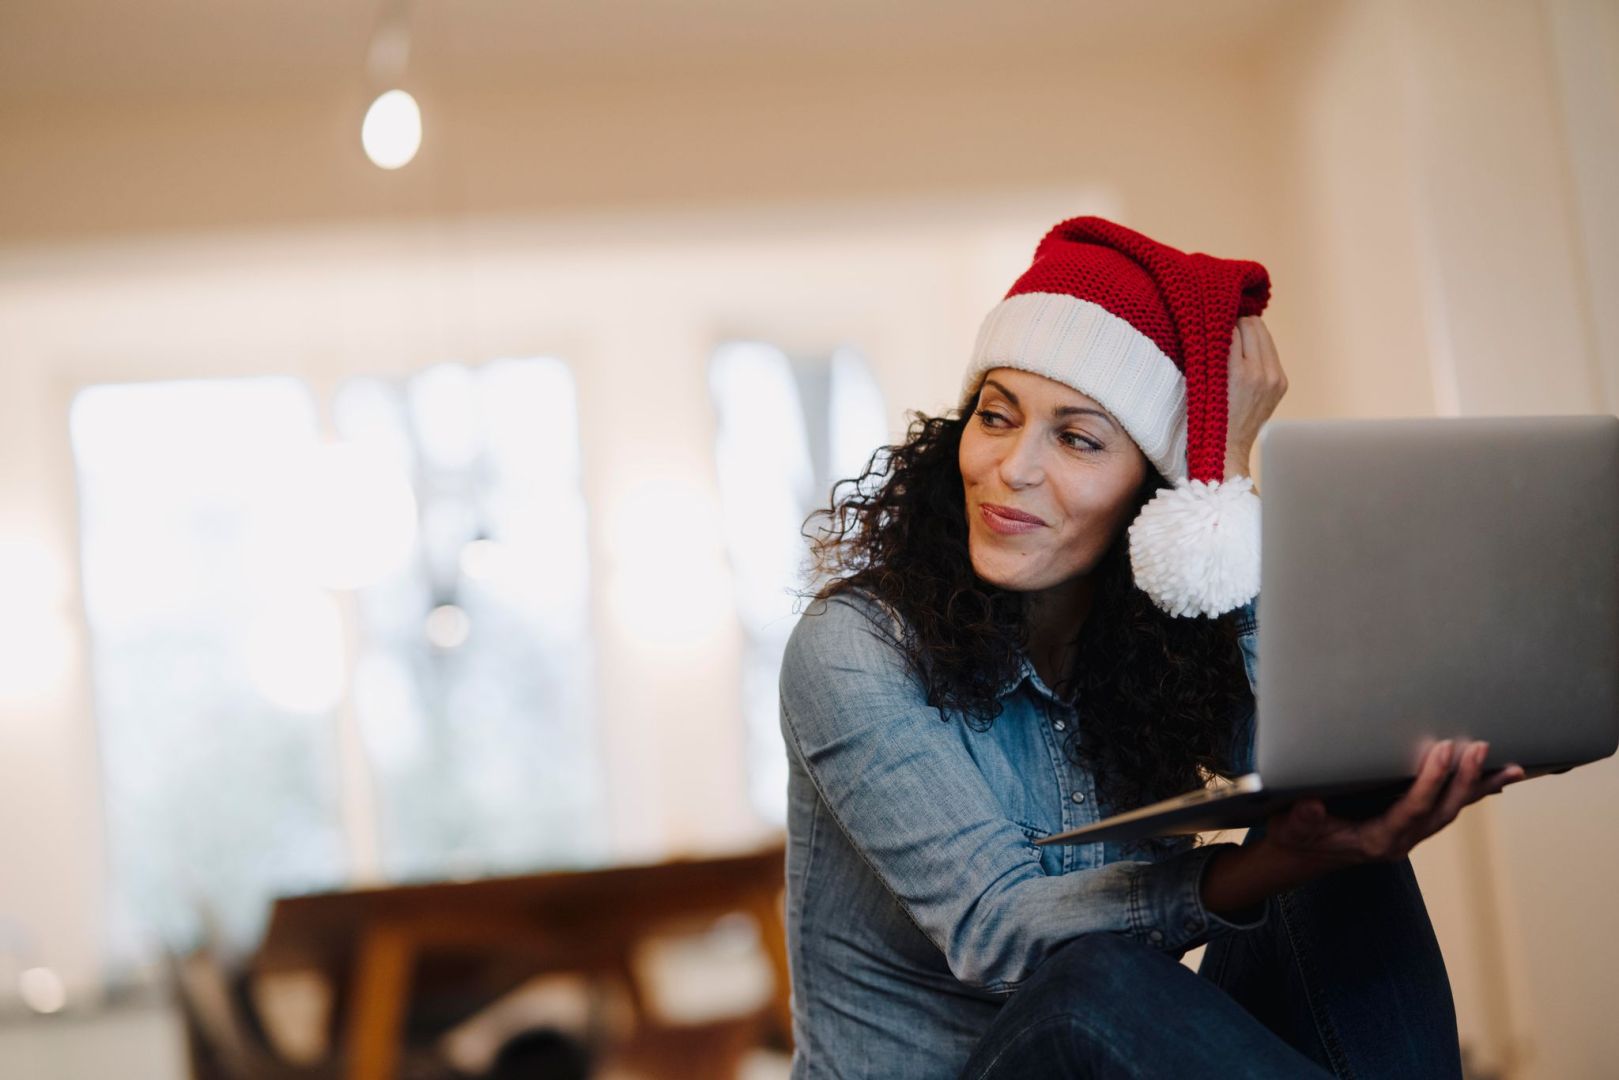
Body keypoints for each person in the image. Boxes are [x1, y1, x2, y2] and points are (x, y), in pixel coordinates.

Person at [777, 216, 1526, 1079]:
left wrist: (1225, 483)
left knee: (1339, 861)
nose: (1011, 468)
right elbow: (999, 929)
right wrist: (1253, 867)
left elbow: (1309, 766)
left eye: (1077, 438)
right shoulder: (854, 648)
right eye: (995, 416)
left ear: (1151, 493)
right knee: (1096, 973)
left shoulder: (1155, 650)